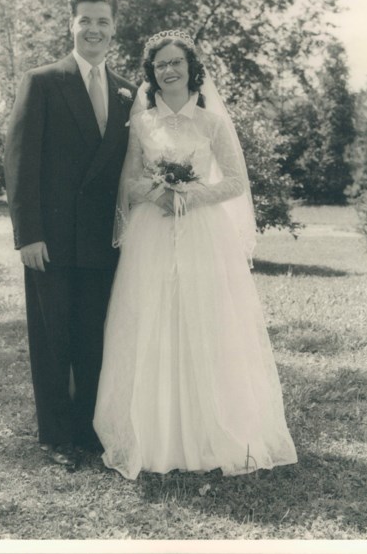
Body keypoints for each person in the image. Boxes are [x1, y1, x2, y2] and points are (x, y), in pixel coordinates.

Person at [93, 30, 298, 479]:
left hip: (203, 233)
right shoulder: (141, 122)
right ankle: (157, 434)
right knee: (154, 319)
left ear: (191, 69)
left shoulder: (211, 123)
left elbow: (235, 182)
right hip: (152, 232)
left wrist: (190, 194)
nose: (169, 71)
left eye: (176, 63)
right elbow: (128, 181)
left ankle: (209, 432)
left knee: (205, 320)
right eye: (160, 65)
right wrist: (159, 193)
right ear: (152, 73)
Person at [4, 0, 136, 470]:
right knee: (52, 340)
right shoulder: (42, 81)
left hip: (104, 241)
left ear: (114, 28)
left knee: (93, 338)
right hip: (51, 239)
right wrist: (28, 234)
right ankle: (56, 436)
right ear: (71, 24)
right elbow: (19, 162)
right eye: (86, 20)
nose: (94, 29)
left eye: (103, 21)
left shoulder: (128, 92)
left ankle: (87, 430)